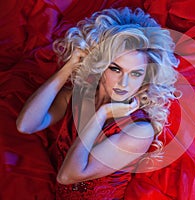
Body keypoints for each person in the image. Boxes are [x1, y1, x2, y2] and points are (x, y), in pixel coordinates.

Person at [16, 7, 179, 199]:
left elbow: (68, 176)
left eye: (136, 73)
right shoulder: (77, 98)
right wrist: (69, 67)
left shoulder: (139, 130)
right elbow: (26, 125)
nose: (124, 83)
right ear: (100, 65)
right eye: (115, 69)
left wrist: (101, 115)